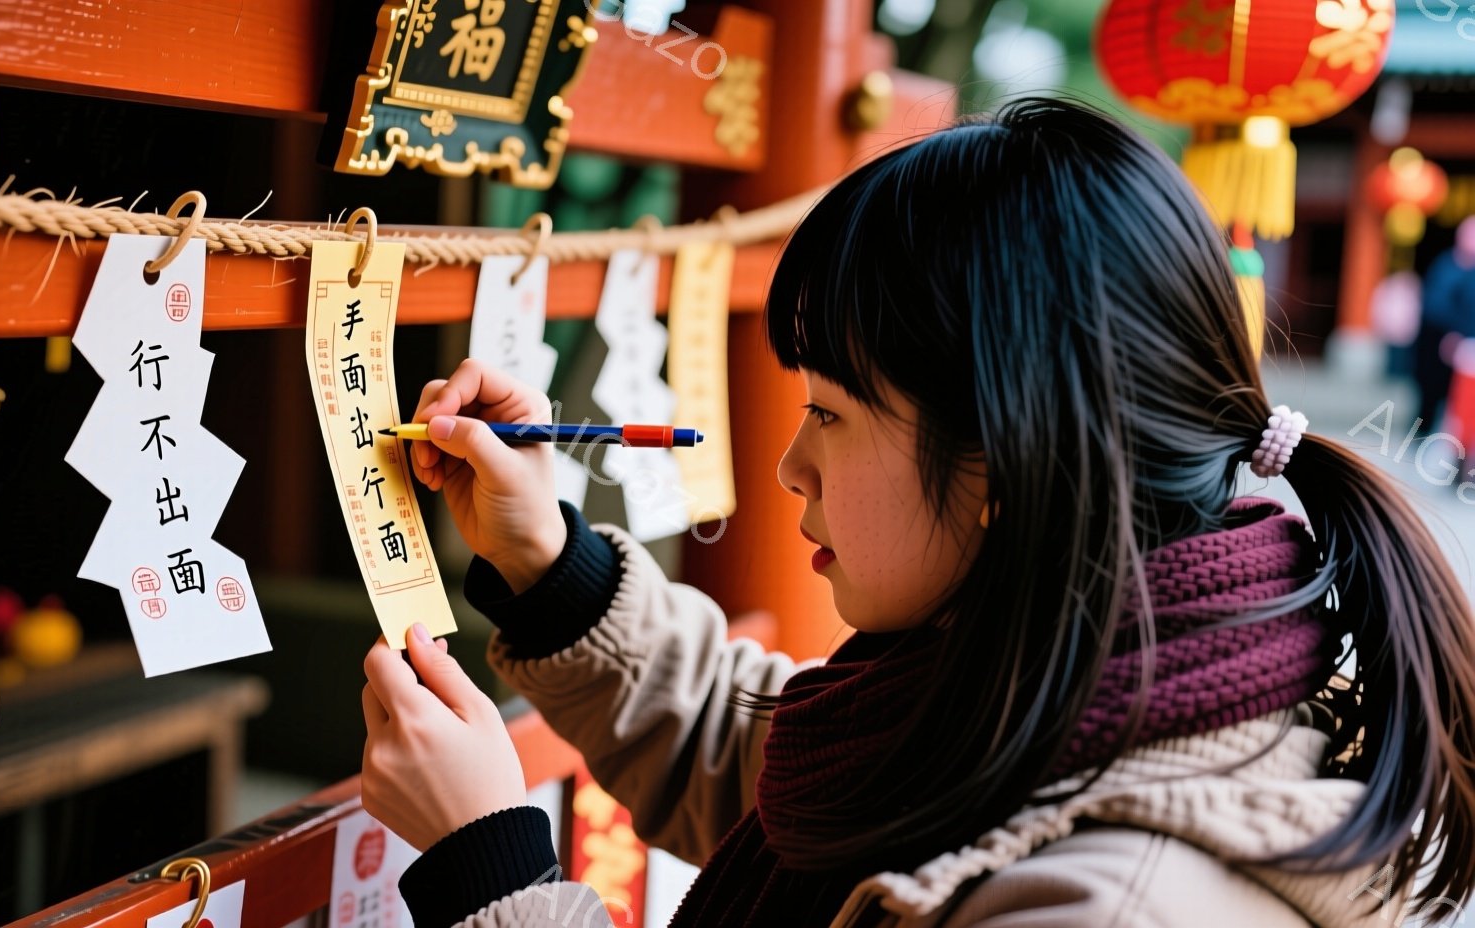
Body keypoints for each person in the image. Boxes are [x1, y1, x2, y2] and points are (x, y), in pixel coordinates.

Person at [355, 99, 1475, 927]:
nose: (790, 466)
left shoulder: (1111, 902)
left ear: (999, 460)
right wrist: (548, 560)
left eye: (831, 415)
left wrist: (488, 866)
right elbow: (762, 763)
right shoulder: (1082, 685)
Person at [1412, 216, 1475, 427]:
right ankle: (1421, 437)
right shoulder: (1446, 265)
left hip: (1467, 344)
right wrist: (1453, 333)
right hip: (1440, 341)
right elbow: (1435, 304)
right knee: (1431, 396)